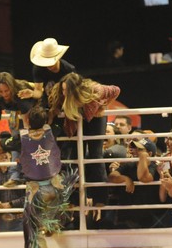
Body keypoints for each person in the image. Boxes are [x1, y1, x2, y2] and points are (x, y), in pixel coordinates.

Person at [0, 106, 77, 248]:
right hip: (57, 186)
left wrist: (0, 134)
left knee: (33, 231)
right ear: (45, 120)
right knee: (54, 212)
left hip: (36, 191)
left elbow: (6, 143)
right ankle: (56, 221)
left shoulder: (21, 137)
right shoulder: (53, 131)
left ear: (27, 121)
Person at [49, 72, 119, 207]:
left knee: (95, 155)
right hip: (76, 116)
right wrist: (54, 112)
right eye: (63, 89)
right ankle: (73, 200)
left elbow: (116, 90)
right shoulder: (60, 94)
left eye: (66, 90)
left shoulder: (95, 90)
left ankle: (101, 199)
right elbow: (54, 107)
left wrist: (104, 105)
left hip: (96, 117)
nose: (64, 93)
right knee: (73, 156)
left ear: (76, 90)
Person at [18, 38, 75, 113]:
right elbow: (38, 91)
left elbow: (73, 93)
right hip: (47, 103)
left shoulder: (68, 70)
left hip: (66, 104)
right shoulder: (38, 68)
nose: (48, 65)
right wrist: (32, 93)